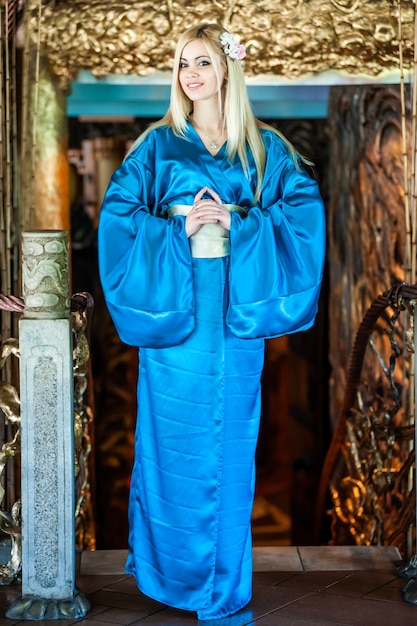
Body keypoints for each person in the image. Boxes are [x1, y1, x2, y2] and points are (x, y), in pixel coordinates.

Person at [98, 22, 326, 621]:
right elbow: (119, 218)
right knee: (170, 448)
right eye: (181, 65)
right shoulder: (157, 144)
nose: (190, 75)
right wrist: (180, 230)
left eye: (201, 61)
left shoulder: (264, 148)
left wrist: (238, 224)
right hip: (177, 317)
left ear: (227, 68)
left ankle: (222, 594)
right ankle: (170, 577)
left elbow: (303, 215)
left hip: (229, 314)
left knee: (227, 448)